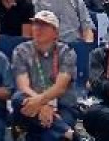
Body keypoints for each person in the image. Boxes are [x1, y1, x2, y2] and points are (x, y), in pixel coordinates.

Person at [11, 10, 83, 140]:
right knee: (18, 98)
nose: (38, 28)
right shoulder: (21, 50)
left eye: (44, 25)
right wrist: (43, 106)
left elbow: (60, 88)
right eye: (36, 24)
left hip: (61, 106)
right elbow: (23, 86)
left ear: (55, 32)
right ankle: (69, 133)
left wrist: (43, 104)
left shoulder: (67, 52)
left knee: (45, 135)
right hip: (31, 105)